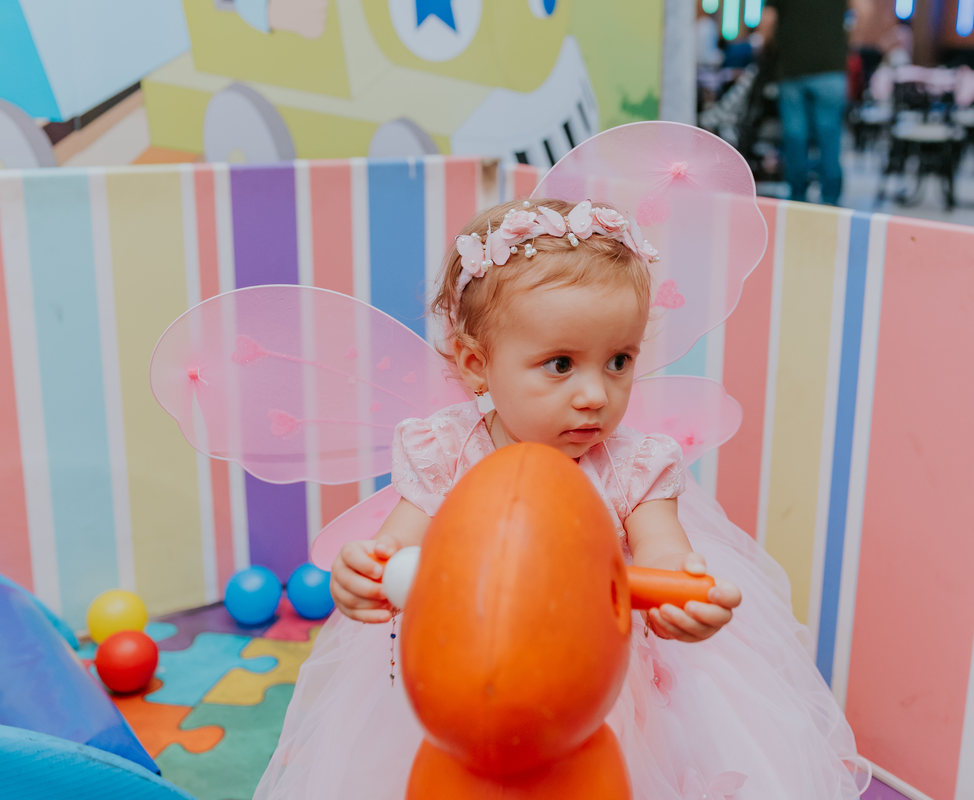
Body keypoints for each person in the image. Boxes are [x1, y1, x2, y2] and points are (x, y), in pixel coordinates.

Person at [246, 193, 868, 796]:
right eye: (561, 364)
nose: (595, 394)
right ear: (474, 363)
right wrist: (366, 573)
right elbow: (399, 550)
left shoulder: (632, 468)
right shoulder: (447, 453)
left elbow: (663, 557)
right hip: (469, 679)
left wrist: (683, 599)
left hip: (598, 685)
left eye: (618, 361)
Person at [758, 0, 864, 204]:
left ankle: (797, 198)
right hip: (831, 68)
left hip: (792, 68)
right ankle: (831, 200)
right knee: (829, 136)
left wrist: (767, 49)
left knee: (795, 137)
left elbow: (768, 21)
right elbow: (865, 10)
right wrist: (845, 43)